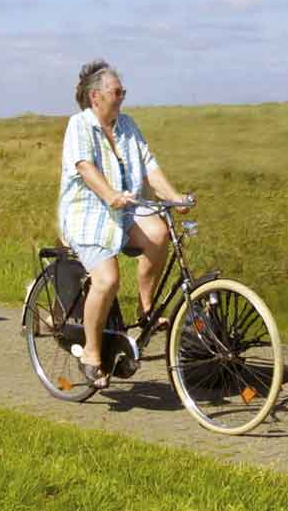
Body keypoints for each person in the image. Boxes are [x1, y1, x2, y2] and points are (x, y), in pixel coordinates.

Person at [57, 60, 192, 388]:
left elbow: (150, 167)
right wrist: (110, 194)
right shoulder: (80, 125)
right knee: (107, 280)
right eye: (117, 92)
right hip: (87, 214)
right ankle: (91, 352)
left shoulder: (128, 125)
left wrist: (175, 197)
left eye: (123, 92)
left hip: (125, 211)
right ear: (95, 97)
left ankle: (146, 310)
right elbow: (85, 167)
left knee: (159, 233)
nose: (122, 98)